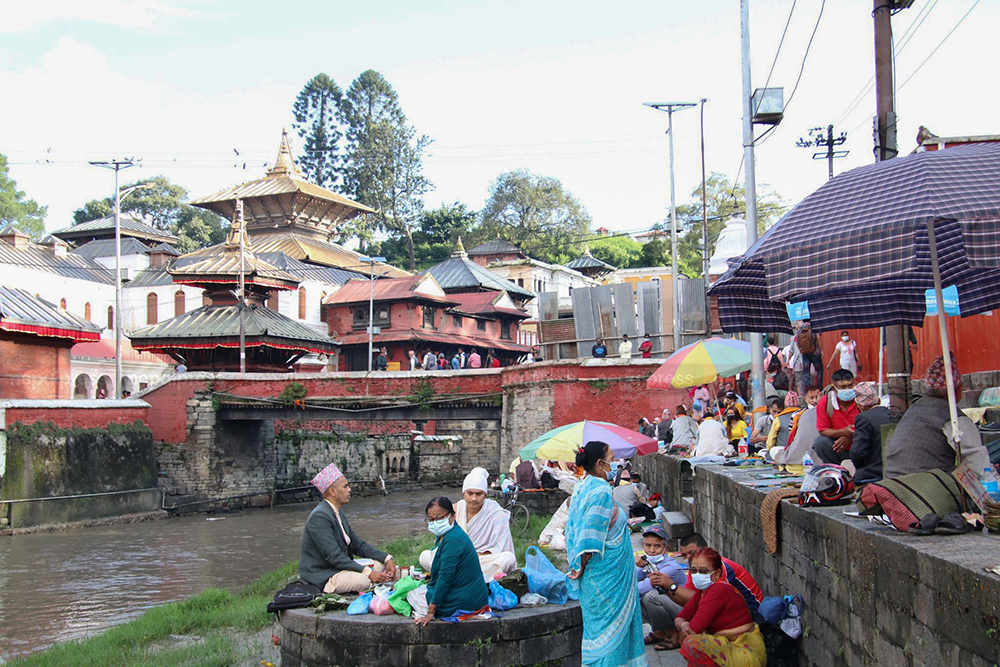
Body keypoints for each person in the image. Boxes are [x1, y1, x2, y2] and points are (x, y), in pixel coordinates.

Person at [565, 441, 646, 667]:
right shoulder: (600, 491)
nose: (615, 463)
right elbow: (589, 538)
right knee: (609, 637)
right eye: (612, 458)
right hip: (606, 579)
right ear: (601, 464)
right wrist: (581, 564)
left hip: (606, 577)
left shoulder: (584, 485)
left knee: (605, 634)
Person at [642, 534, 763, 651]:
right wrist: (667, 589)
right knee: (650, 597)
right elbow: (691, 601)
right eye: (684, 555)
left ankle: (674, 634)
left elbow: (701, 608)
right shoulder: (696, 569)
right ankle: (668, 631)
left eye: (692, 553)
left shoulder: (717, 569)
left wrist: (671, 586)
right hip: (716, 607)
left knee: (694, 642)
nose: (688, 558)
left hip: (749, 612)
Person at [884, 354, 990, 479]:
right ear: (957, 389)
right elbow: (978, 466)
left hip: (891, 486)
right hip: (926, 490)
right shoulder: (954, 418)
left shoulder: (913, 410)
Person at [298, 463, 397, 593]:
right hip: (323, 574)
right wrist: (368, 572)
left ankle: (372, 578)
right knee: (363, 581)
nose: (349, 489)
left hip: (338, 568)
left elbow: (358, 545)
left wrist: (387, 558)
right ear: (333, 491)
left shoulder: (338, 513)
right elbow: (334, 556)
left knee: (381, 565)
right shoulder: (319, 517)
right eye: (345, 486)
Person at [419, 468, 516, 579]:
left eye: (478, 494)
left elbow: (501, 546)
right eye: (470, 493)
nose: (474, 498)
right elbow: (443, 542)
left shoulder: (496, 512)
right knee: (425, 556)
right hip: (456, 559)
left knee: (508, 559)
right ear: (464, 493)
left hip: (480, 559)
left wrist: (472, 556)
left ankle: (456, 575)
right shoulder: (456, 509)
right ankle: (472, 576)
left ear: (485, 494)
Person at [675, 547, 766, 667]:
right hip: (726, 646)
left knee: (693, 643)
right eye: (693, 571)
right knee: (691, 640)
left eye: (703, 571)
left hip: (744, 651)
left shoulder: (718, 590)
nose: (697, 575)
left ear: (717, 573)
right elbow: (679, 618)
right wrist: (684, 625)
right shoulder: (702, 593)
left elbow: (695, 628)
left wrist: (686, 627)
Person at [413, 497, 490, 625]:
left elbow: (445, 577)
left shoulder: (453, 539)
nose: (436, 522)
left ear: (452, 516)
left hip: (465, 601)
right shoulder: (445, 535)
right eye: (431, 519)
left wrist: (431, 611)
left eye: (440, 518)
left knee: (413, 595)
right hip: (467, 594)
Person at [815, 382, 889, 485]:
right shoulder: (890, 414)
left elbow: (858, 452)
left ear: (860, 405)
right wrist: (845, 433)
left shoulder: (864, 418)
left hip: (871, 472)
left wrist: (859, 466)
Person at [636, 526, 687, 648]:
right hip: (668, 605)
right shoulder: (648, 563)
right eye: (648, 546)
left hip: (683, 610)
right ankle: (660, 631)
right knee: (634, 601)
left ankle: (673, 634)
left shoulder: (670, 566)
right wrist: (638, 567)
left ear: (665, 548)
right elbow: (634, 581)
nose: (651, 550)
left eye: (657, 546)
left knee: (650, 596)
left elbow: (641, 588)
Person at [813, 369, 860, 461]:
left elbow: (871, 425)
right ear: (834, 388)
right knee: (820, 443)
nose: (847, 389)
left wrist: (849, 437)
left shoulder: (861, 400)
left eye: (850, 386)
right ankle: (835, 469)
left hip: (860, 445)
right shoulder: (825, 402)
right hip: (838, 447)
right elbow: (823, 430)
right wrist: (844, 432)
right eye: (843, 387)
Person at [796, 321, 823, 389]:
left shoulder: (800, 329)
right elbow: (818, 338)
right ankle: (819, 387)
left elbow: (797, 341)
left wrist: (801, 350)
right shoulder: (814, 327)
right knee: (819, 370)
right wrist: (821, 350)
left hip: (804, 353)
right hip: (815, 353)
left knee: (806, 371)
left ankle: (807, 389)